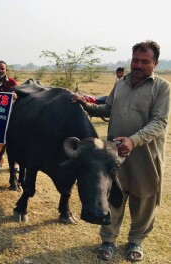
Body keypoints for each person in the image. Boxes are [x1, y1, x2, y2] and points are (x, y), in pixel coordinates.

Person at [72, 41, 170, 262]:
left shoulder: (162, 87)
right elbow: (108, 108)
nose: (138, 65)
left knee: (144, 199)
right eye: (135, 60)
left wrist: (134, 141)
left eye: (145, 61)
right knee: (113, 196)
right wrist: (86, 105)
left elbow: (159, 122)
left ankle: (136, 241)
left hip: (146, 156)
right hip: (114, 155)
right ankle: (108, 240)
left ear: (154, 63)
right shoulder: (121, 83)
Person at [0, 61, 19, 187]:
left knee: (10, 142)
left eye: (2, 69)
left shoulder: (12, 83)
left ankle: (15, 164)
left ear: (6, 70)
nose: (0, 71)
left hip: (9, 117)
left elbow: (18, 98)